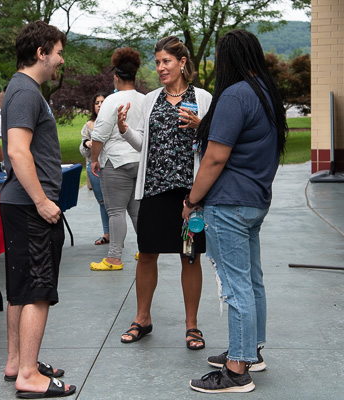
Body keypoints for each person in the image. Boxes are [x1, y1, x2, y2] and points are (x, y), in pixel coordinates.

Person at [184, 29, 288, 393]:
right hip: (256, 201)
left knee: (235, 286)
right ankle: (250, 352)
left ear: (228, 59)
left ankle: (236, 371)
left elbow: (215, 158)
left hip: (228, 203)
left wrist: (192, 199)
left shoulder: (235, 94)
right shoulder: (267, 93)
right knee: (252, 280)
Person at [117, 36, 212, 348]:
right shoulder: (150, 100)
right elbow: (145, 146)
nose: (160, 68)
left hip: (189, 195)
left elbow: (214, 147)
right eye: (157, 62)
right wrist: (125, 132)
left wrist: (200, 125)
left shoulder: (204, 99)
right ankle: (142, 318)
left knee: (190, 256)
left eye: (166, 61)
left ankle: (192, 326)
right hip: (155, 190)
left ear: (182, 63)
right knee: (146, 254)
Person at [0, 20, 76, 399]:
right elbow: (15, 150)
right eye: (58, 52)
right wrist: (43, 201)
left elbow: (9, 150)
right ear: (41, 53)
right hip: (31, 207)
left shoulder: (17, 89)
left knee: (21, 288)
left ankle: (17, 362)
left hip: (18, 203)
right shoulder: (27, 92)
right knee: (38, 290)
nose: (61, 60)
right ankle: (28, 374)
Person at [89, 47, 146, 271]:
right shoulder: (146, 99)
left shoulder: (111, 101)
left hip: (115, 162)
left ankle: (113, 258)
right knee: (136, 210)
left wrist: (95, 159)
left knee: (115, 211)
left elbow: (99, 135)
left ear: (115, 76)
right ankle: (146, 250)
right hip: (140, 161)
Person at [79, 92, 110, 245]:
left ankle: (118, 235)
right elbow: (83, 149)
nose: (99, 105)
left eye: (103, 102)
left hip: (111, 166)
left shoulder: (112, 121)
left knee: (115, 204)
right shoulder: (88, 126)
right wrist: (87, 144)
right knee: (102, 202)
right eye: (97, 103)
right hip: (94, 168)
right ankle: (107, 234)